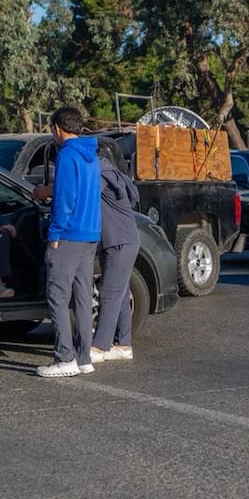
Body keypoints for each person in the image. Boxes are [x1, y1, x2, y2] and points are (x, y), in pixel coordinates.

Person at [36, 106, 101, 378]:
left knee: (57, 296)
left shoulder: (66, 156)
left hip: (68, 234)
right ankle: (84, 356)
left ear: (58, 128)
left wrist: (54, 235)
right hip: (90, 233)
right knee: (83, 296)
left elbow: (64, 199)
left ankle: (64, 358)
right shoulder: (91, 156)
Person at [91, 150, 140, 364]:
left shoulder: (99, 174)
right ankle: (123, 344)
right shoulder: (109, 171)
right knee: (119, 292)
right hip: (122, 239)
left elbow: (85, 196)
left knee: (110, 293)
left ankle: (99, 346)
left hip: (118, 241)